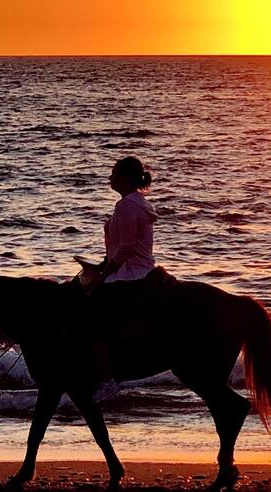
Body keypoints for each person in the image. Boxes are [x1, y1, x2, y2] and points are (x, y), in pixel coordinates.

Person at [89, 156, 158, 399]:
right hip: (129, 268)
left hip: (131, 274)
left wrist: (103, 275)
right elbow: (121, 246)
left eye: (113, 173)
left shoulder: (127, 206)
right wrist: (100, 265)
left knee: (92, 318)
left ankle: (105, 379)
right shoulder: (135, 203)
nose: (110, 177)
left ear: (125, 178)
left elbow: (127, 247)